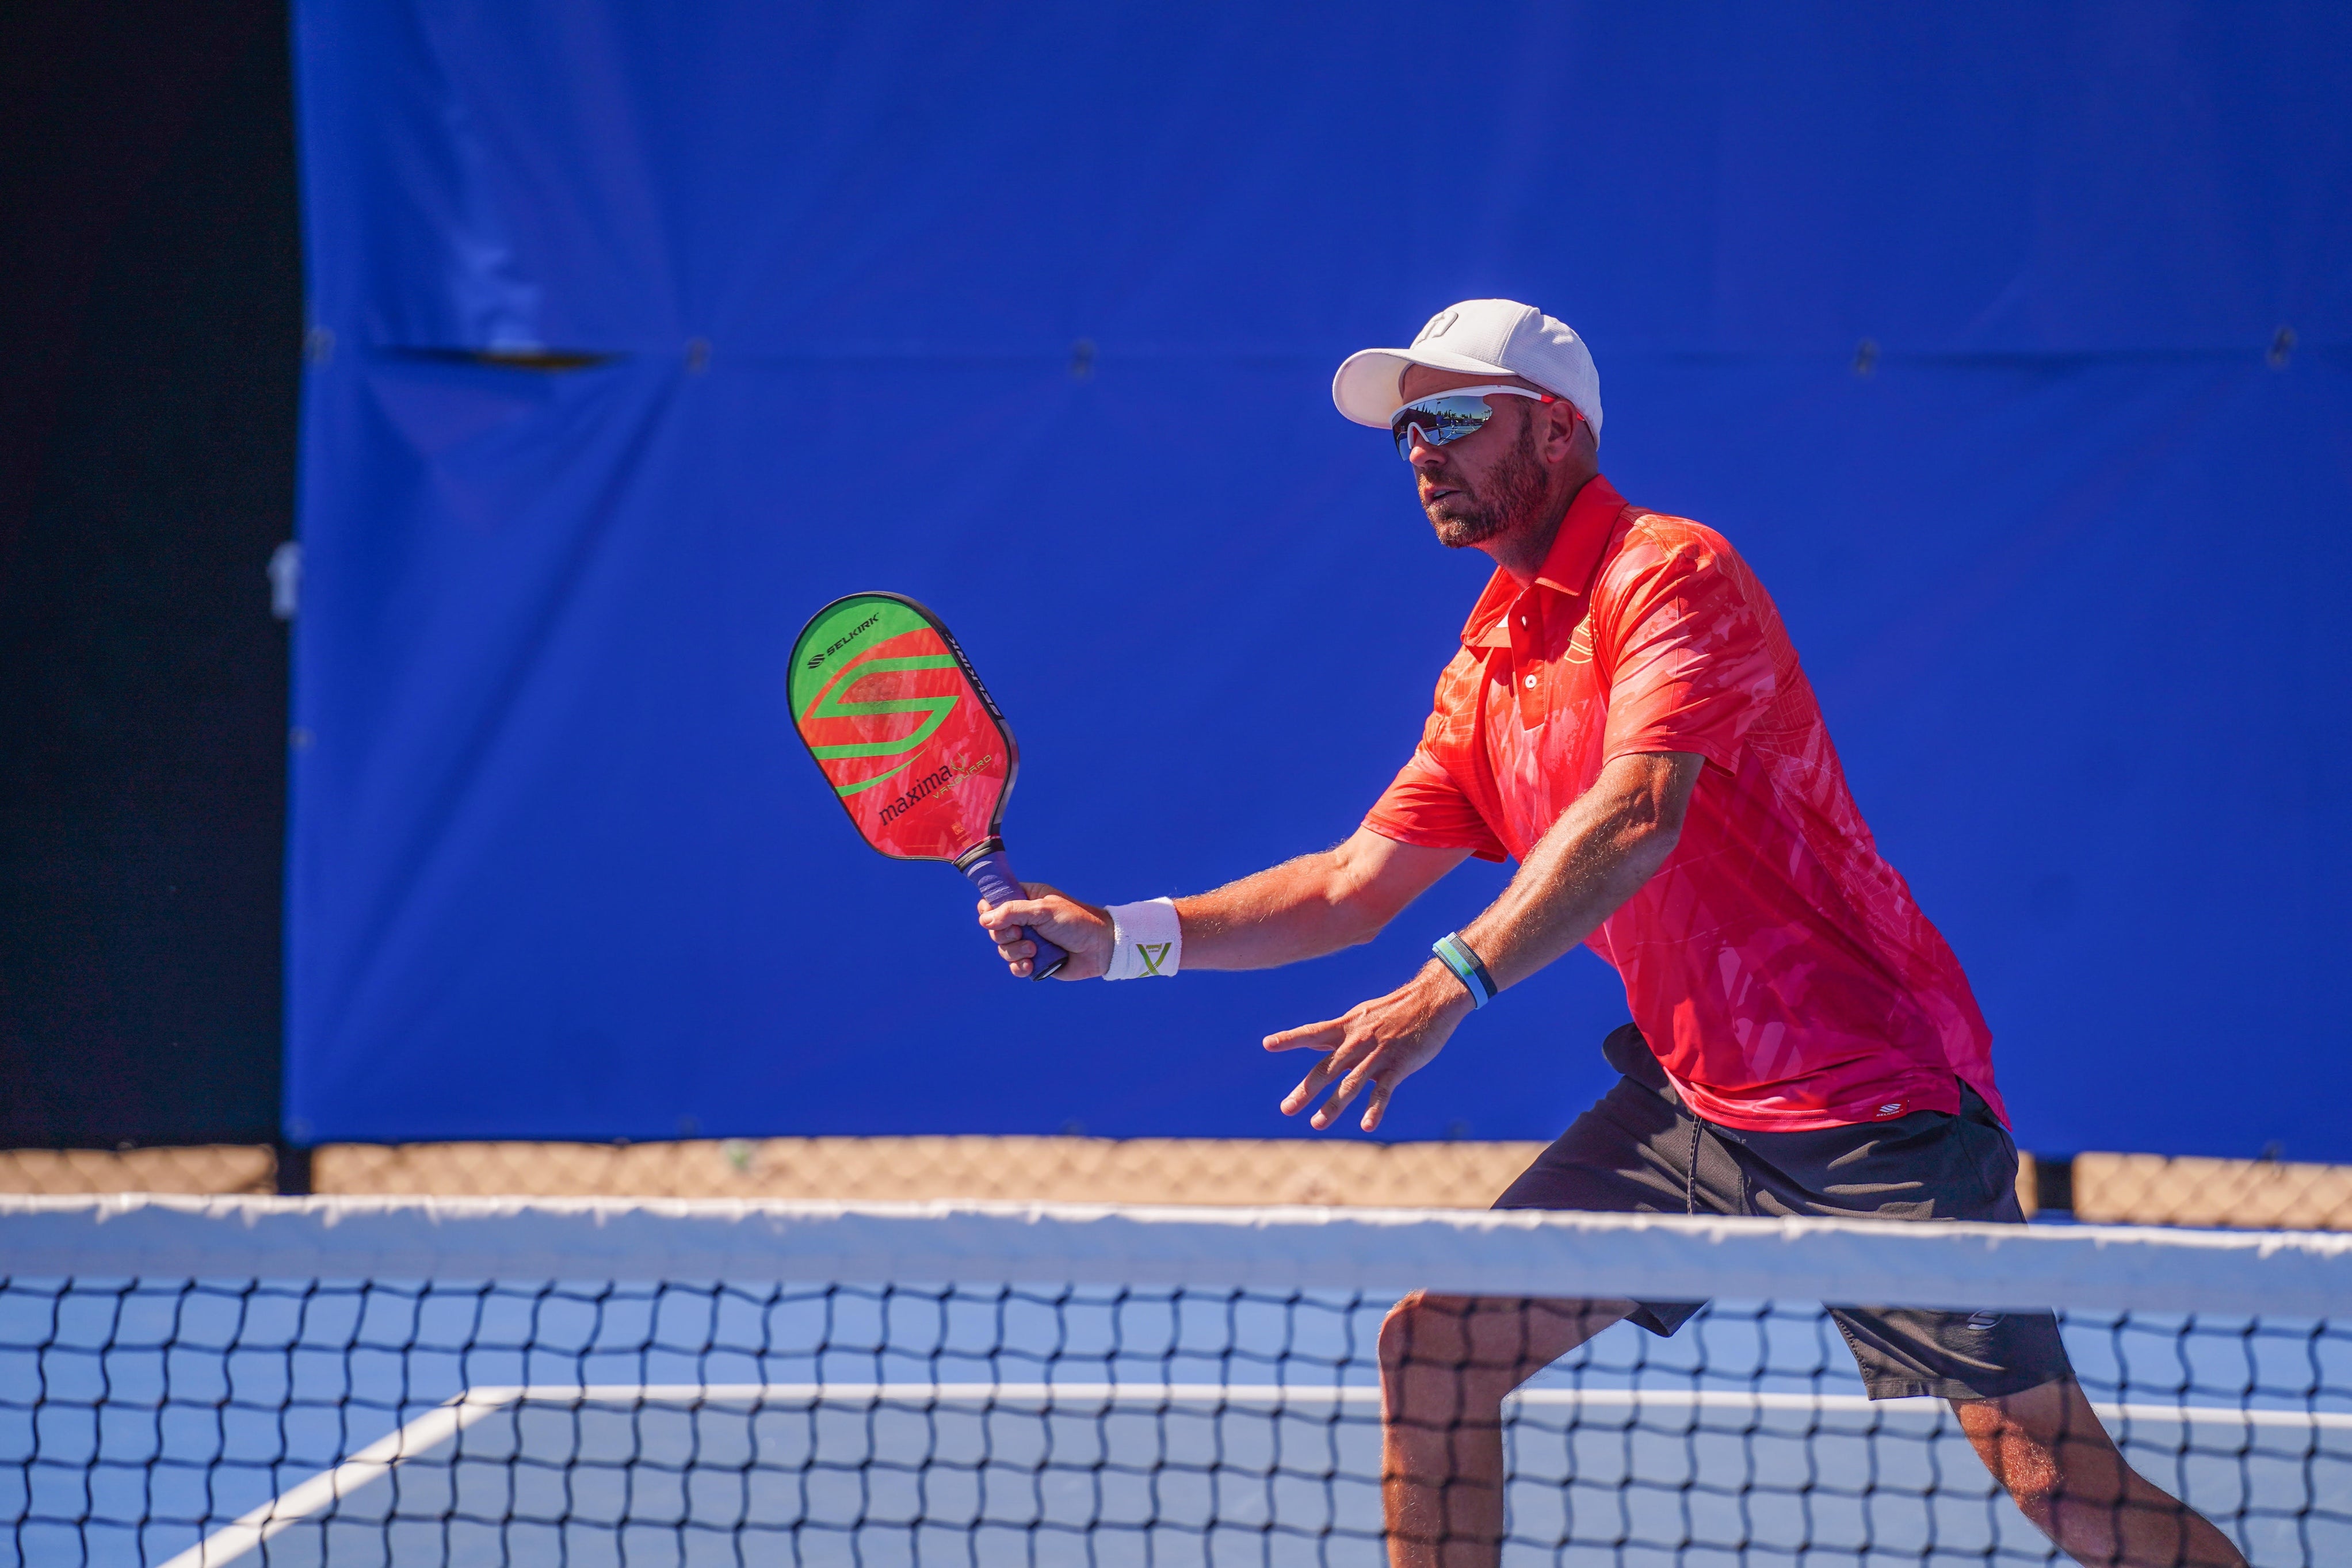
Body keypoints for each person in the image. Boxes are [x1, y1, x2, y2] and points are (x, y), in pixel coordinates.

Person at [975, 299, 2242, 1568]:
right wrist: (1122, 937)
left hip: (1869, 1096)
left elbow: (1641, 813)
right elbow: (1352, 884)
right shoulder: (1487, 663)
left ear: (1558, 425)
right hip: (1697, 1104)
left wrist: (1449, 984)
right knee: (1438, 1349)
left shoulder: (1668, 572)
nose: (1420, 448)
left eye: (1453, 415)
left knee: (2058, 1486)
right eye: (1407, 426)